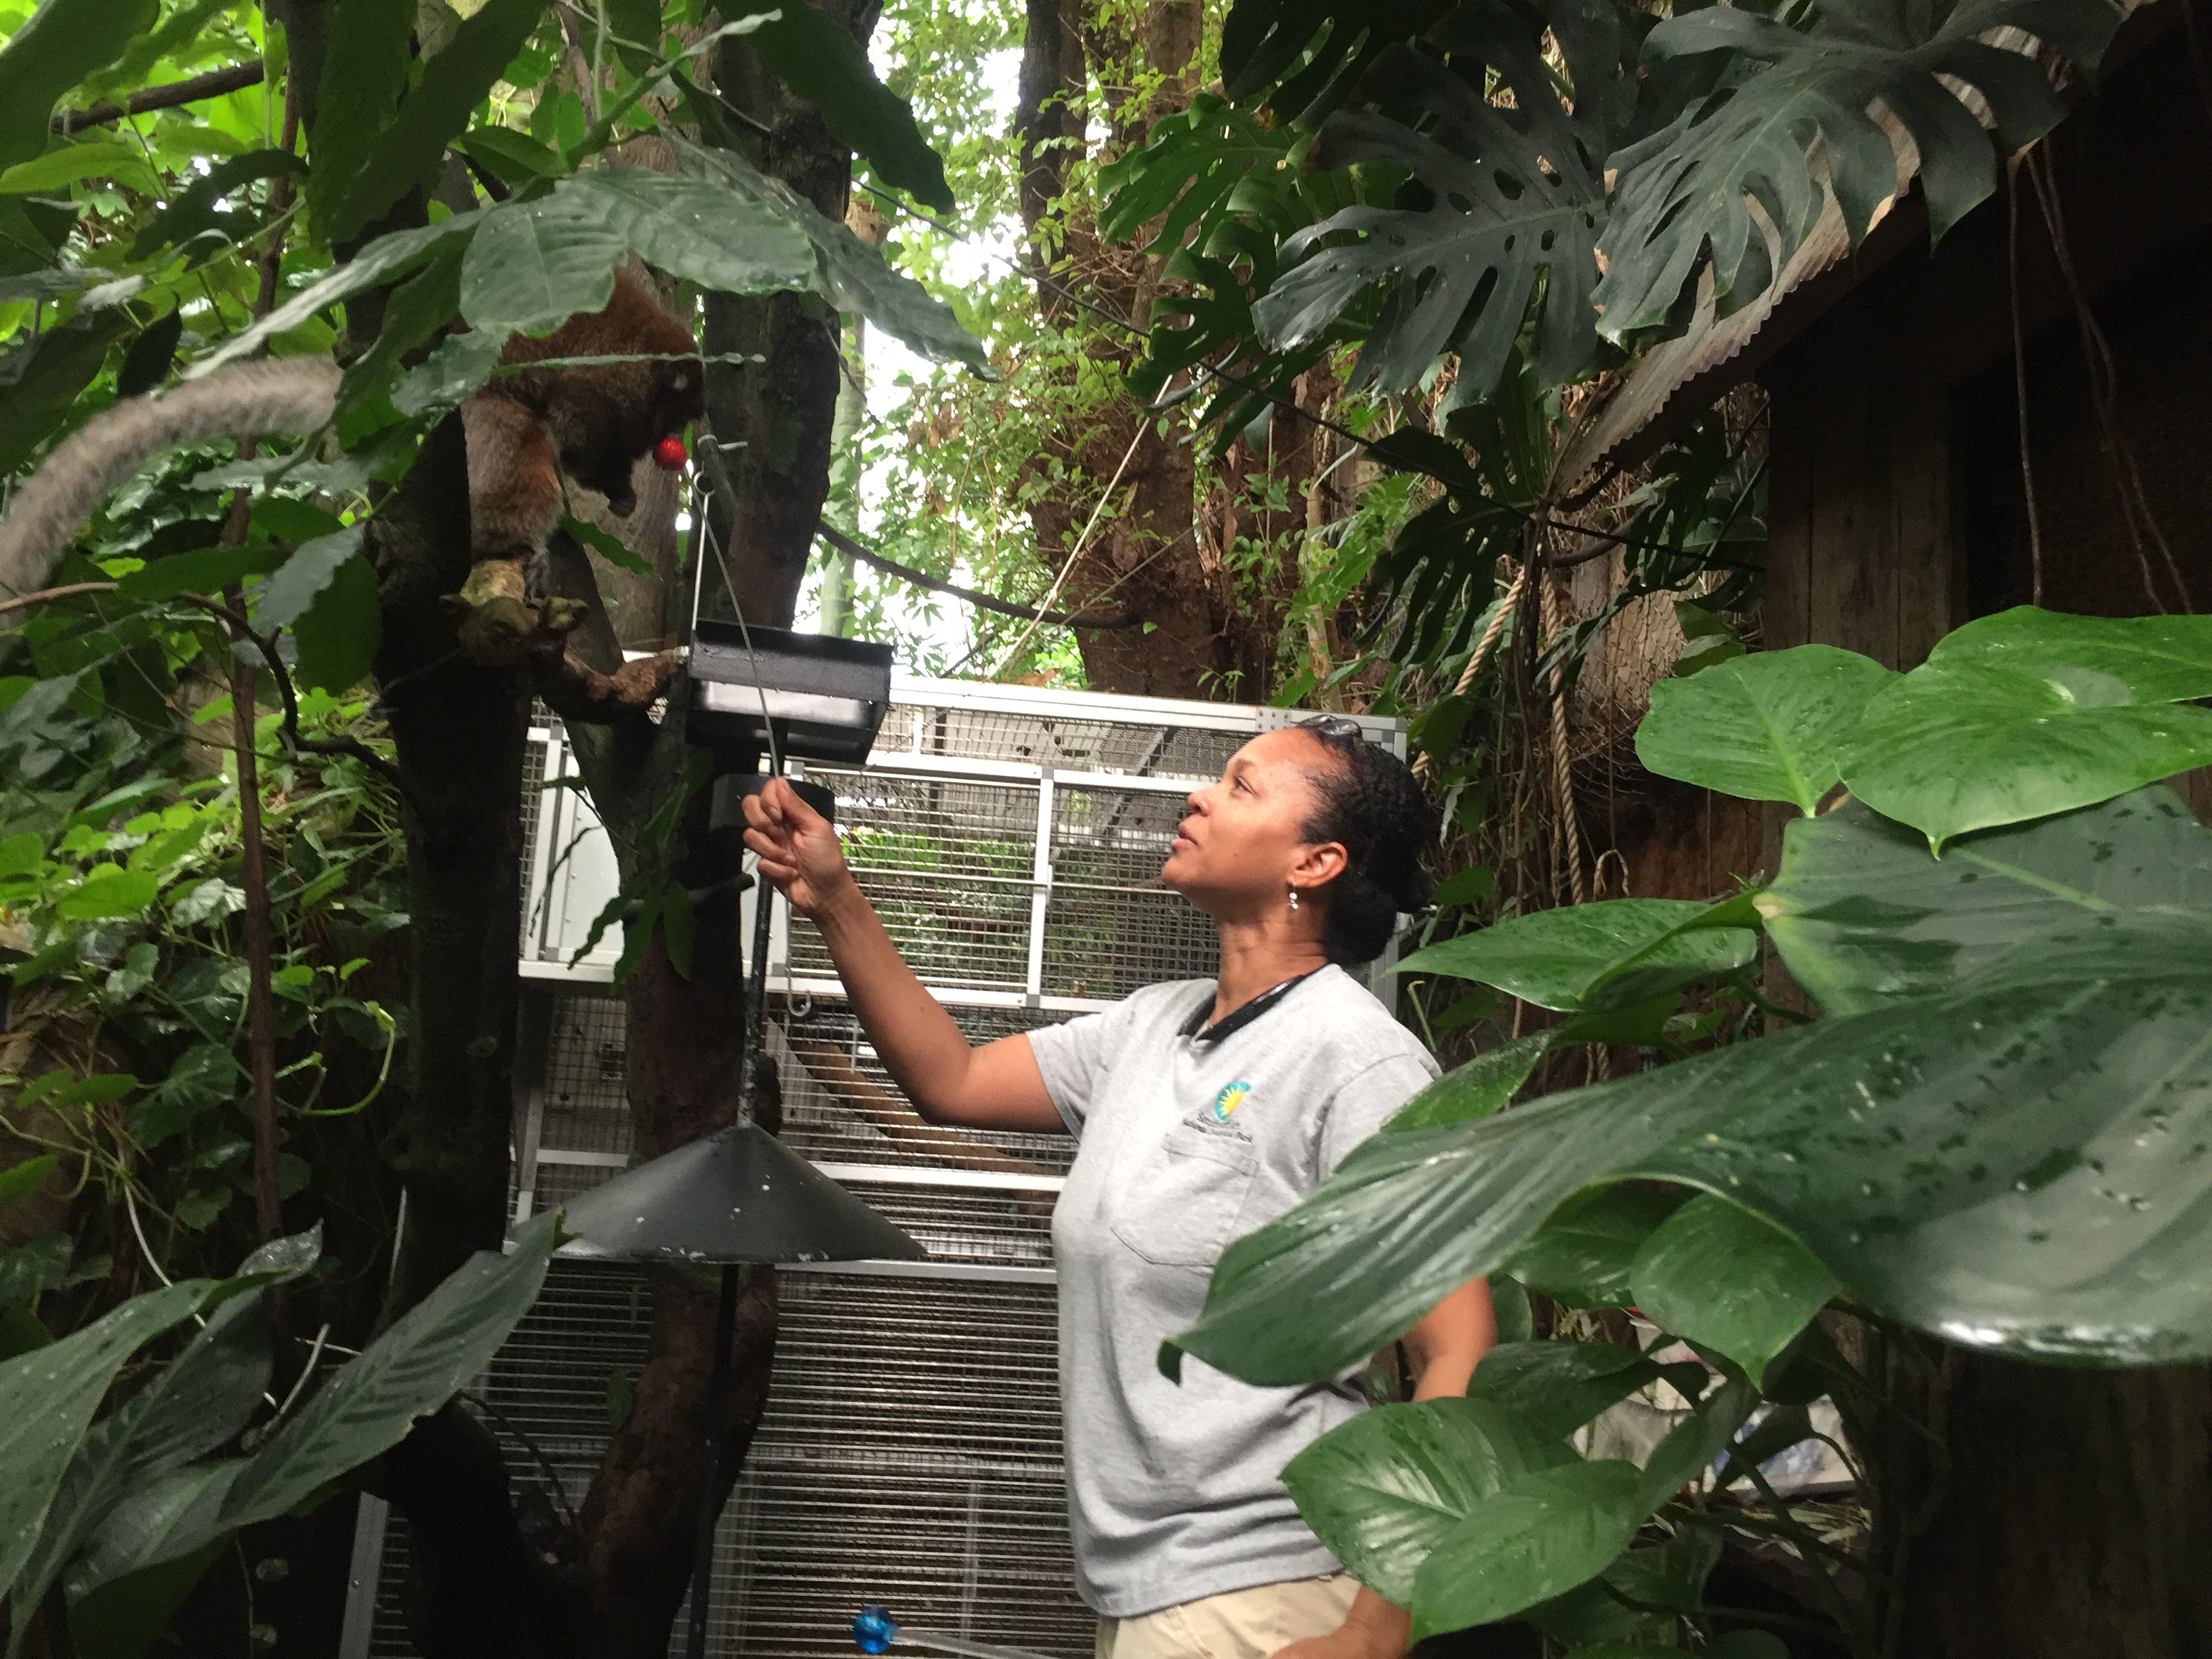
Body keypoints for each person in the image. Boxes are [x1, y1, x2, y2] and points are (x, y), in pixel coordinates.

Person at [742, 716, 1495, 1659]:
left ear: (1316, 863)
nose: (1198, 796)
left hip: (1274, 1587)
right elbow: (952, 1080)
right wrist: (836, 897)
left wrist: (1377, 1630)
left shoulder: (1357, 1060)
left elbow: (1459, 1349)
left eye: (1241, 786)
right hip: (1146, 1590)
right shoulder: (1152, 1028)